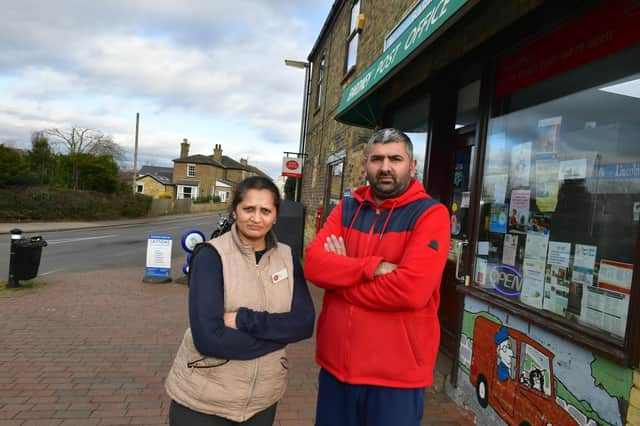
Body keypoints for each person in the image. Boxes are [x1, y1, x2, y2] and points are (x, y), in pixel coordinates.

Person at [304, 128, 450, 426]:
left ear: (412, 165)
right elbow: (314, 265)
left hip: (396, 376)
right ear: (366, 164)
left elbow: (410, 291)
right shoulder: (347, 208)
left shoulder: (431, 215)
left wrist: (340, 281)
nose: (385, 167)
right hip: (337, 369)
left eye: (395, 158)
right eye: (377, 159)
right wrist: (370, 268)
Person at [165, 176, 315, 426]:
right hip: (203, 402)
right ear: (235, 211)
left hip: (261, 403)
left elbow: (304, 323)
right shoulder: (211, 255)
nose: (257, 218)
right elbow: (209, 339)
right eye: (248, 209)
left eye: (265, 210)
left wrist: (244, 319)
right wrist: (278, 337)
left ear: (276, 215)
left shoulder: (287, 257)